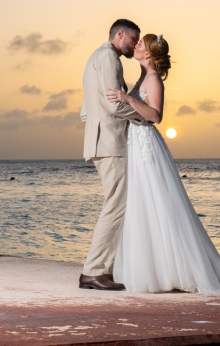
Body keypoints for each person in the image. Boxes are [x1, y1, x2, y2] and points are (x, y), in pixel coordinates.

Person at [106, 34, 220, 295]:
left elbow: (156, 116)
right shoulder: (142, 77)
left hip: (146, 145)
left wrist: (128, 99)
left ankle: (174, 269)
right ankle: (150, 268)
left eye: (140, 44)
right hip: (135, 144)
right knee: (141, 203)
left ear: (149, 54)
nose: (136, 45)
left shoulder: (152, 80)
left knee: (158, 202)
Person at [78, 19, 143, 290]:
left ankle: (104, 268)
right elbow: (114, 104)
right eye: (133, 40)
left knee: (115, 204)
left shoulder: (96, 56)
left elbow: (85, 110)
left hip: (101, 141)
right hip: (111, 143)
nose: (135, 45)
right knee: (116, 206)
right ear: (120, 34)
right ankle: (94, 271)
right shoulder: (109, 58)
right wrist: (144, 117)